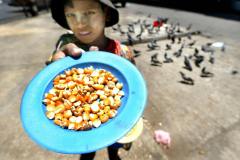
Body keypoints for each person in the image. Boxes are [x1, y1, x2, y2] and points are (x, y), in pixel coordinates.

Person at [48, 0, 139, 159]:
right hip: (84, 126)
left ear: (107, 13)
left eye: (89, 13)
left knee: (114, 142)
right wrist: (55, 66)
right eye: (71, 15)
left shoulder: (122, 53)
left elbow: (135, 89)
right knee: (87, 147)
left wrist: (135, 116)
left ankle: (113, 152)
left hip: (116, 122)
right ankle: (88, 153)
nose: (80, 23)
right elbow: (54, 70)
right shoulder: (67, 50)